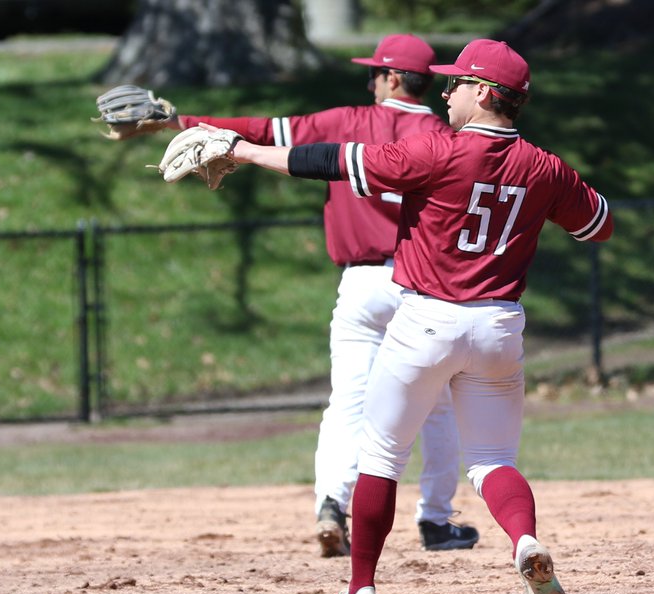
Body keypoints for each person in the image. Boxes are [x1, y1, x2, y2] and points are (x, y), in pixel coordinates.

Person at [222, 38, 615, 594]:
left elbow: (332, 161)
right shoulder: (545, 166)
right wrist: (548, 194)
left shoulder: (436, 150)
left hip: (427, 321)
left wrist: (247, 152)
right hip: (499, 327)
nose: (447, 93)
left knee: (381, 457)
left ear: (485, 92)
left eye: (457, 83)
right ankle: (525, 540)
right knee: (491, 460)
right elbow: (599, 226)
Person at [164, 34, 480, 557]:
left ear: (392, 78)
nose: (371, 82)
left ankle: (332, 502)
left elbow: (263, 130)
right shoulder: (443, 136)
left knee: (348, 400)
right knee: (438, 405)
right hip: (423, 285)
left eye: (375, 73)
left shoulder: (348, 121)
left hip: (361, 284)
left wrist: (180, 121)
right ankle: (436, 521)